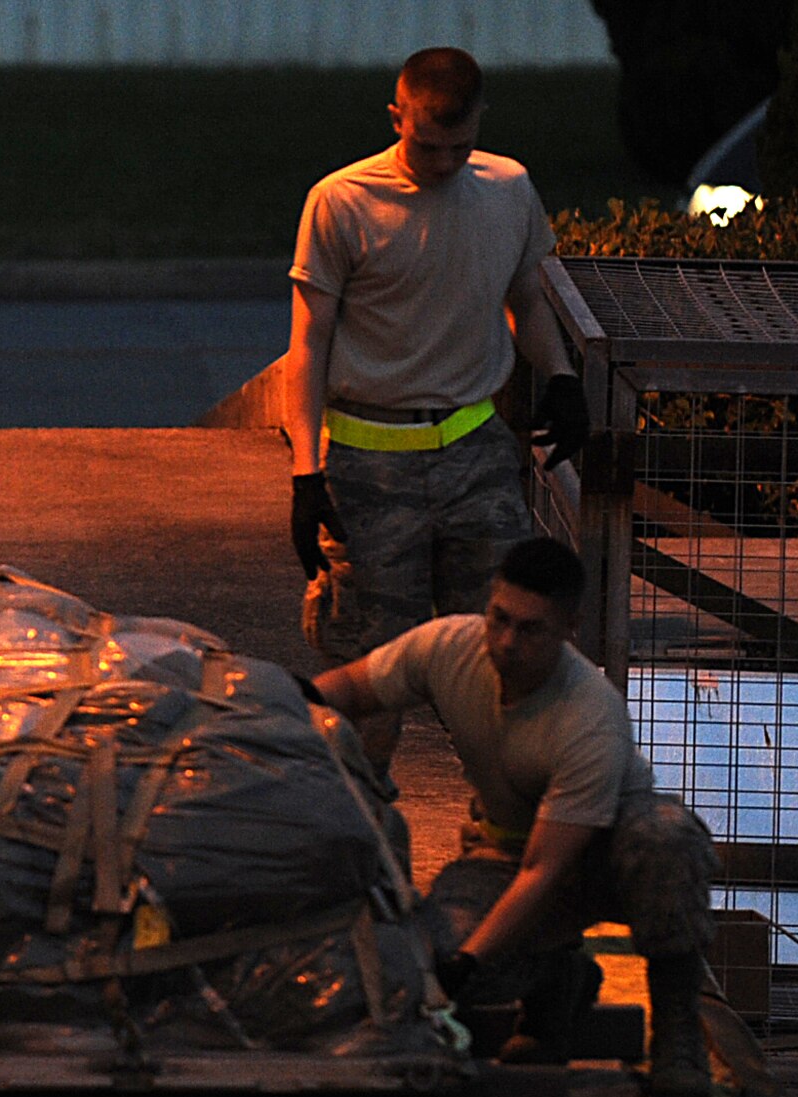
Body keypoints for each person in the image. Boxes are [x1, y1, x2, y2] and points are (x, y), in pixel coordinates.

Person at [311, 538, 715, 1097]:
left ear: (569, 628)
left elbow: (545, 872)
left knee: (666, 837)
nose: (506, 642)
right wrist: (278, 705)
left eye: (530, 630)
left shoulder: (589, 715)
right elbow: (351, 687)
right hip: (507, 853)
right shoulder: (449, 647)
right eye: (498, 619)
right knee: (419, 959)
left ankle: (677, 1033)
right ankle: (558, 983)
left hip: (599, 860)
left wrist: (467, 966)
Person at [285, 46, 588, 771]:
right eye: (427, 143)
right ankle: (359, 845)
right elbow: (309, 341)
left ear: (481, 119)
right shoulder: (342, 201)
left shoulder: (508, 189)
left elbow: (527, 299)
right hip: (369, 464)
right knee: (370, 678)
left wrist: (561, 377)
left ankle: (506, 826)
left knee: (507, 661)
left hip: (475, 456)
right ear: (397, 116)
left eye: (460, 145)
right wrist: (305, 472)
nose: (444, 161)